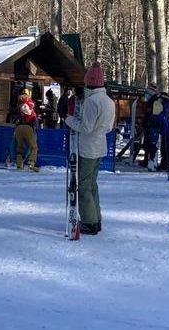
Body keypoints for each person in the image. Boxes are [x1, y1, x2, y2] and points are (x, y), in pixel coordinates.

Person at [64, 61, 115, 235]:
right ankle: (96, 218)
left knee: (83, 185)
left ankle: (89, 221)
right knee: (92, 184)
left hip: (87, 147)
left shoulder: (92, 102)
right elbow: (108, 127)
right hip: (99, 145)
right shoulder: (108, 100)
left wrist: (68, 119)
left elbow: (86, 127)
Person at [9, 93, 39, 171]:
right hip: (28, 127)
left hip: (18, 128)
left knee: (19, 147)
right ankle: (31, 163)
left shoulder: (18, 107)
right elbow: (30, 112)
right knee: (34, 147)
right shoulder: (29, 104)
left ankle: (19, 165)